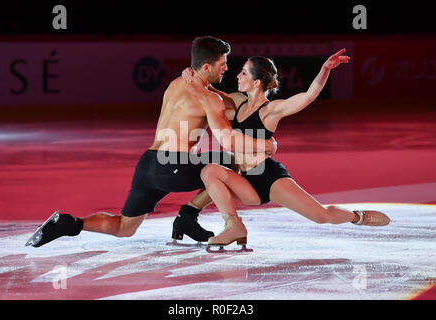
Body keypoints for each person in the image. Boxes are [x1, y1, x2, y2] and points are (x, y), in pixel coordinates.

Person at [25, 36, 277, 248]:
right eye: (222, 64)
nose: (226, 68)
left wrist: (204, 86)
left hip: (147, 165)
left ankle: (70, 223)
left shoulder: (177, 84)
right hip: (173, 166)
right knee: (230, 164)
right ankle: (190, 217)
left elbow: (221, 100)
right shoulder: (210, 99)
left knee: (125, 227)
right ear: (207, 67)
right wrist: (265, 146)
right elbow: (226, 136)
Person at [182, 49, 391, 248]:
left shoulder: (271, 110)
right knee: (209, 171)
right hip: (246, 180)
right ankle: (233, 226)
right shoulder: (237, 102)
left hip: (269, 177)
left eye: (243, 73)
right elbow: (208, 93)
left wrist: (325, 69)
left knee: (321, 216)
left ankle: (357, 216)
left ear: (256, 82)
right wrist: (190, 75)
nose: (238, 75)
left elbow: (308, 96)